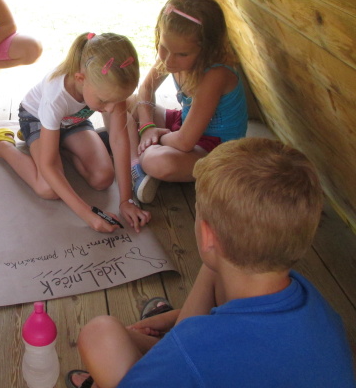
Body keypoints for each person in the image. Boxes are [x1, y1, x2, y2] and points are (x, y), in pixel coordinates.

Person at [66, 137, 355, 388]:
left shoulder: (196, 351)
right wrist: (167, 321)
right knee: (219, 265)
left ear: (206, 234)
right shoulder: (313, 301)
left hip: (198, 359)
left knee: (98, 335)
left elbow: (197, 354)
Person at [0, 32, 151, 233]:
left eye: (116, 101)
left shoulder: (111, 86)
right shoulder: (56, 95)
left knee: (103, 178)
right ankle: (1, 146)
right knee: (47, 188)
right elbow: (48, 167)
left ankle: (55, 145)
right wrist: (88, 214)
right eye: (103, 101)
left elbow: (118, 139)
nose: (110, 109)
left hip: (73, 121)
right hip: (37, 119)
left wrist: (126, 201)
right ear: (80, 79)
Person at [129, 0, 248, 204]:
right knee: (124, 102)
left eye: (182, 54)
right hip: (186, 126)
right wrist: (147, 127)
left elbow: (185, 142)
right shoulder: (173, 53)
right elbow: (146, 88)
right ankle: (136, 161)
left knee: (159, 162)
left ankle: (138, 154)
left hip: (215, 149)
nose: (169, 60)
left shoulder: (215, 74)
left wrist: (158, 137)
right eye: (163, 47)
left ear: (207, 50)